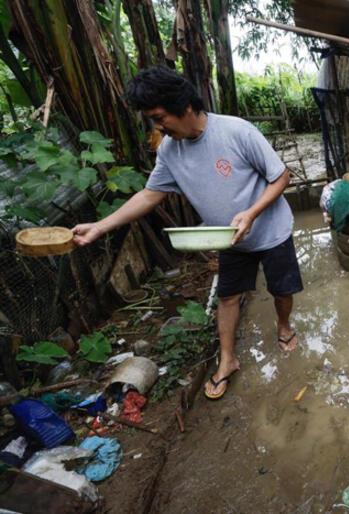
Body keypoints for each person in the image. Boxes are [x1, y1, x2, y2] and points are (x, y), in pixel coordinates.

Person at [72, 66, 303, 400]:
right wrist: (100, 226)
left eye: (160, 117)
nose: (157, 126)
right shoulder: (169, 150)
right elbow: (150, 194)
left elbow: (282, 177)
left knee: (282, 290)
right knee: (227, 296)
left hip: (271, 230)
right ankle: (228, 359)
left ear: (185, 106)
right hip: (228, 239)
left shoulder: (237, 131)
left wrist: (252, 213)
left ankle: (283, 325)